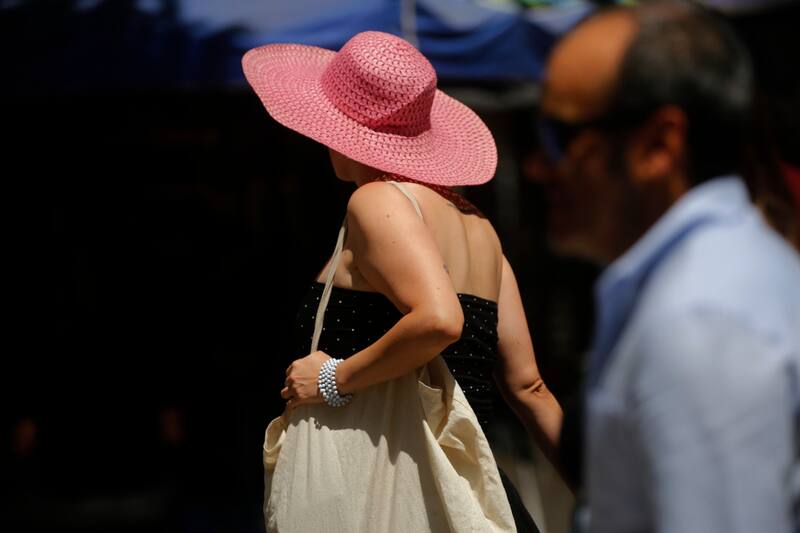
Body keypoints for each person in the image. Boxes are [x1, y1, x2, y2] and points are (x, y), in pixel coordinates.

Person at [242, 31, 562, 532]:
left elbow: (438, 319)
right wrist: (596, 490)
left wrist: (331, 379)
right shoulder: (481, 229)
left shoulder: (375, 201)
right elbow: (530, 386)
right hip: (476, 497)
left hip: (394, 497)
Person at [530, 1, 800, 531]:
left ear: (660, 144)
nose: (539, 167)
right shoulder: (730, 271)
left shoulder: (698, 323)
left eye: (559, 137)